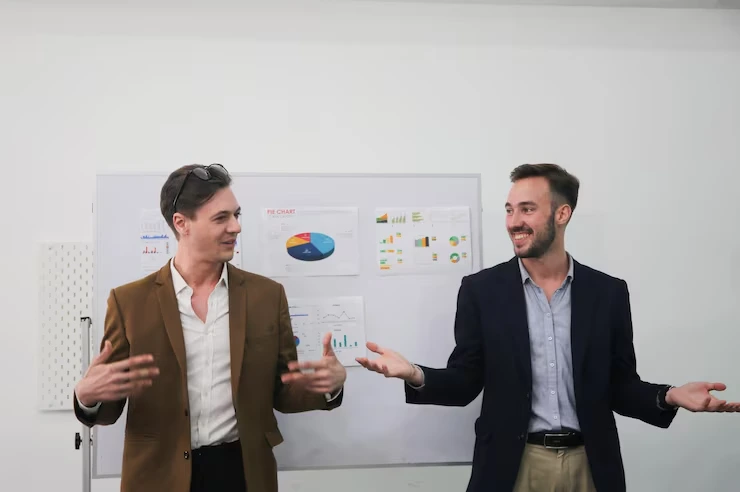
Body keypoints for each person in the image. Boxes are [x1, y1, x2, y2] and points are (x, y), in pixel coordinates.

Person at [357, 163, 740, 492]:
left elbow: (620, 387)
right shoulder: (481, 291)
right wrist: (415, 373)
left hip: (590, 465)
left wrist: (671, 395)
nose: (514, 222)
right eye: (509, 210)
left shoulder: (607, 293)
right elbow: (465, 381)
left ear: (562, 214)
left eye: (527, 209)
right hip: (513, 465)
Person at [73, 164, 346, 492]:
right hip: (158, 476)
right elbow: (110, 405)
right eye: (221, 218)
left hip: (242, 473)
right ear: (181, 223)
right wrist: (87, 397)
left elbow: (283, 390)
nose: (236, 227)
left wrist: (328, 387)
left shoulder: (267, 296)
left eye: (236, 215)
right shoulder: (129, 302)